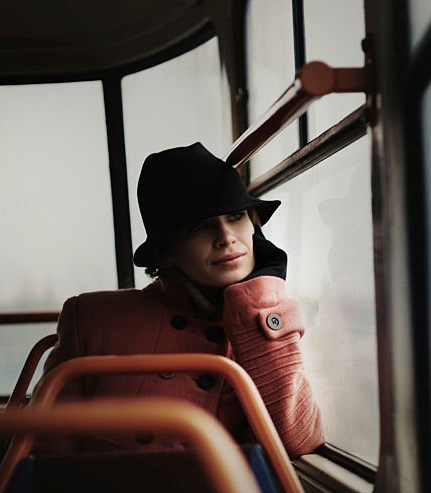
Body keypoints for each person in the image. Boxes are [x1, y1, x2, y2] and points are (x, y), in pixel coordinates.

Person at [41, 142, 323, 456]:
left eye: (235, 216)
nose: (226, 237)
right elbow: (48, 460)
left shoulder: (264, 323)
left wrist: (258, 300)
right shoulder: (92, 321)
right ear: (166, 252)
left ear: (254, 224)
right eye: (200, 226)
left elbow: (294, 440)